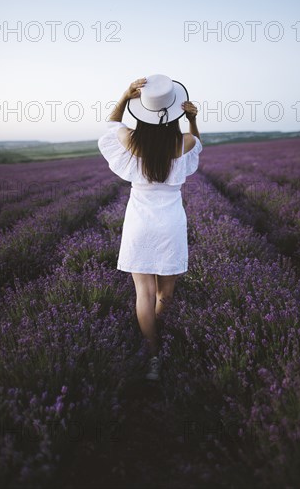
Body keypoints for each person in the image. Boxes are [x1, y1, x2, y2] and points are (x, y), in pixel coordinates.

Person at [98, 74, 203, 381]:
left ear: (142, 112)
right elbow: (197, 146)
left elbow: (110, 127)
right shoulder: (183, 142)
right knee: (164, 295)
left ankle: (152, 352)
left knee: (142, 293)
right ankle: (161, 341)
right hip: (170, 223)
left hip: (139, 223)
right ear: (174, 114)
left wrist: (124, 94)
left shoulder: (131, 140)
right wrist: (193, 120)